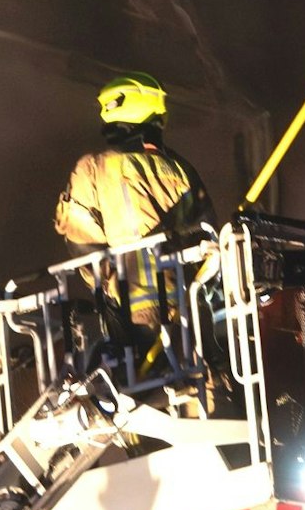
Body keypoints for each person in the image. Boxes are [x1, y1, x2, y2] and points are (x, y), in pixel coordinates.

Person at [54, 72, 215, 331]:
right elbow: (208, 236)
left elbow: (81, 243)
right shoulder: (182, 170)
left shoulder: (93, 169)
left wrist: (108, 289)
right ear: (155, 119)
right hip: (187, 315)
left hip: (129, 316)